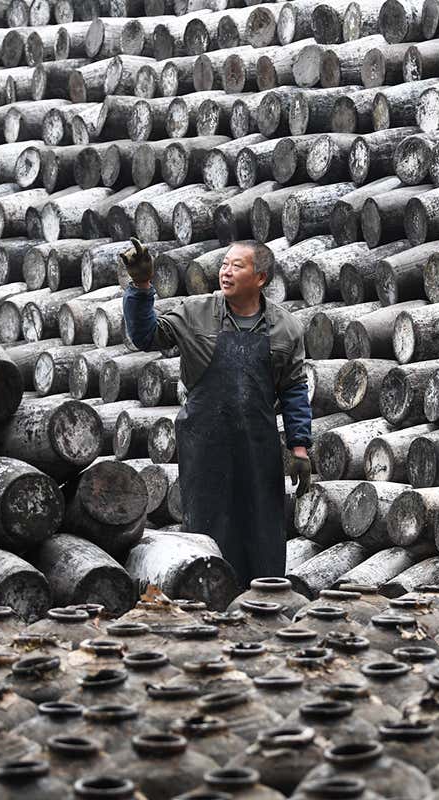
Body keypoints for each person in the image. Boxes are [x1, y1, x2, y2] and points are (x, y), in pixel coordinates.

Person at [120, 239, 312, 587]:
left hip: (258, 444)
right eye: (224, 264)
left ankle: (264, 599)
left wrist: (299, 446)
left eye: (237, 266)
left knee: (262, 525)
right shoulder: (196, 313)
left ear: (261, 278)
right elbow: (146, 335)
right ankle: (209, 596)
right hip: (205, 443)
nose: (226, 271)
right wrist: (141, 287)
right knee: (209, 525)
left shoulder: (286, 327)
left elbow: (294, 388)